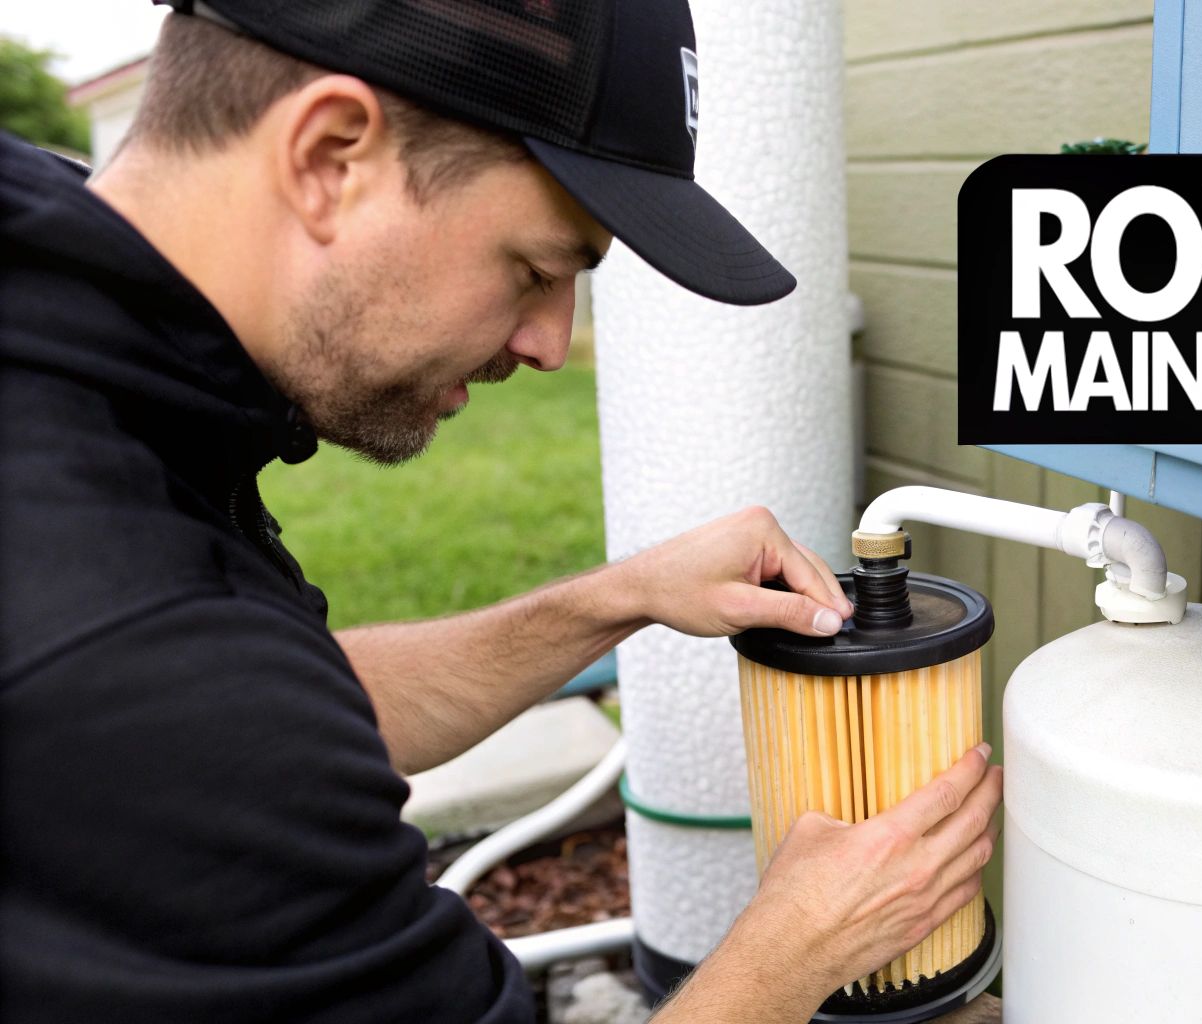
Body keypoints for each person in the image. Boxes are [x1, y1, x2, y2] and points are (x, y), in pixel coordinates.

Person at [0, 1, 1002, 1022]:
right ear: (331, 156)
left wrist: (618, 597)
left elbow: (280, 708)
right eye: (534, 268)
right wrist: (801, 944)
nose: (547, 343)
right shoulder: (123, 631)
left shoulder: (75, 329)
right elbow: (210, 716)